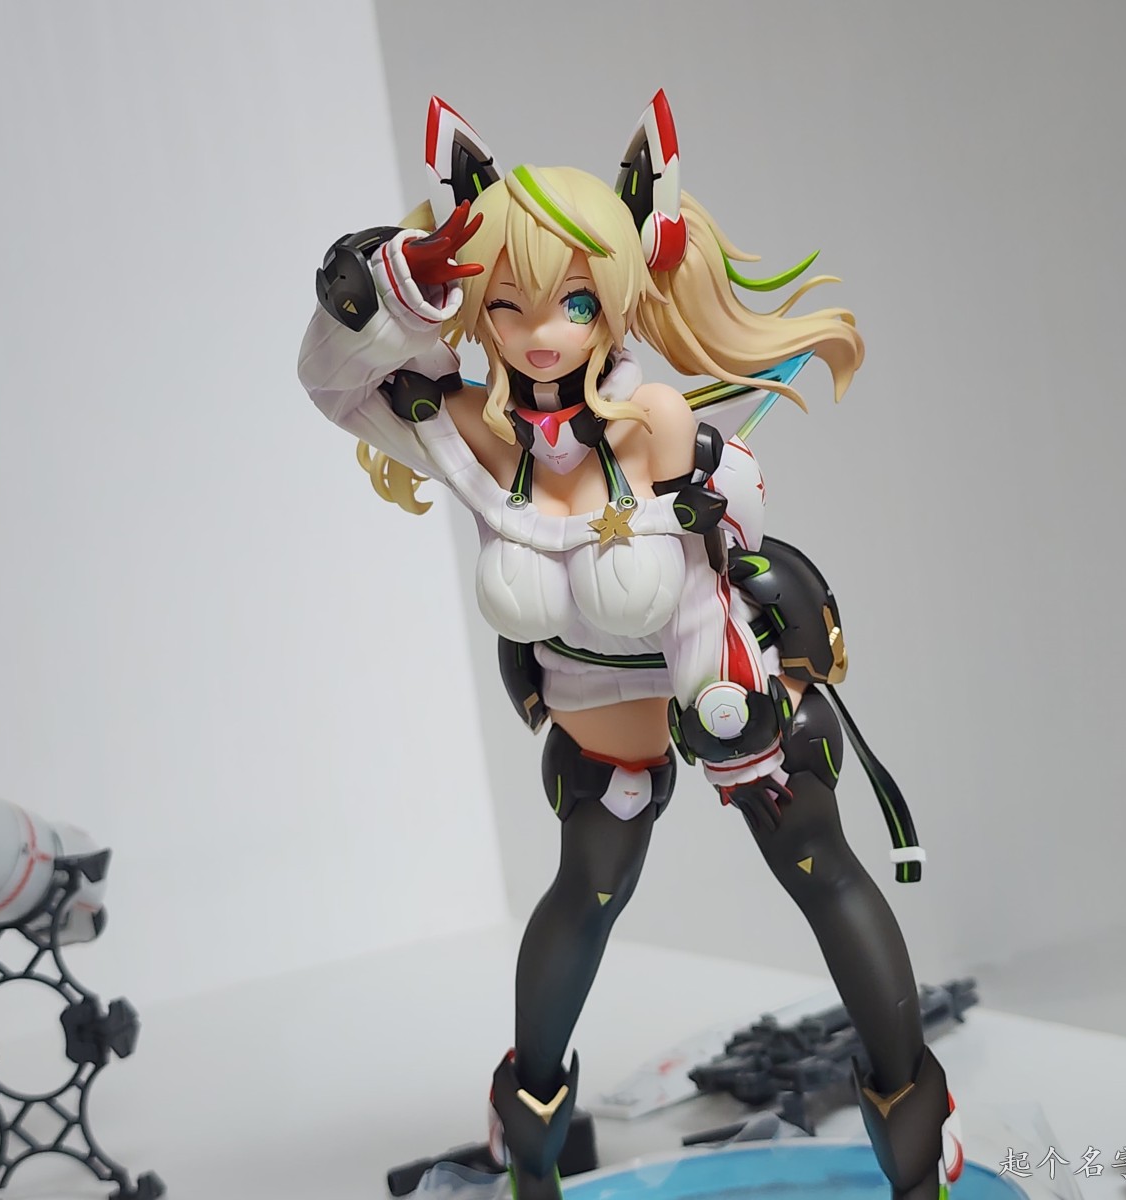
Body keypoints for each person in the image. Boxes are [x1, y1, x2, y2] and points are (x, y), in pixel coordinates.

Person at [296, 92, 960, 1200]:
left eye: (571, 300)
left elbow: (742, 521)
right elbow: (331, 382)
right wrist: (392, 288)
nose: (541, 330)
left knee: (815, 863)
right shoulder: (470, 434)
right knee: (590, 890)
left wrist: (710, 495)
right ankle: (528, 1150)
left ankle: (919, 1148)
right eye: (508, 303)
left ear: (612, 302)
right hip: (595, 708)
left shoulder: (653, 422)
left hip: (718, 685)